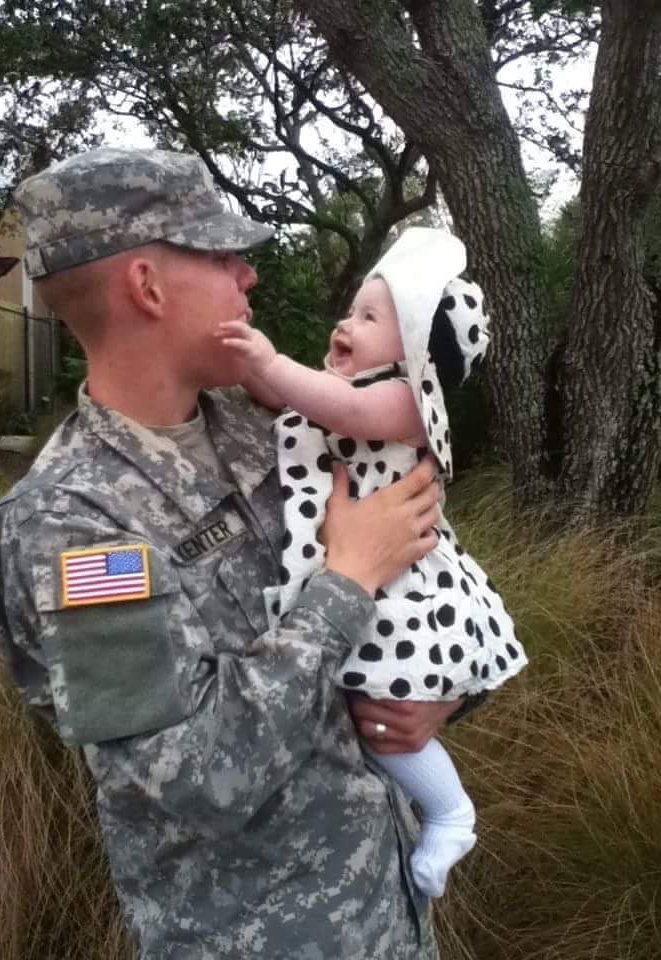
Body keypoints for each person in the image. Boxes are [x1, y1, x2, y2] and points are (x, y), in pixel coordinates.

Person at [0, 147, 476, 960]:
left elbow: (422, 592)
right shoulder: (71, 521)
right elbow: (193, 778)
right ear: (147, 286)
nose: (247, 275)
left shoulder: (269, 427)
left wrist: (440, 700)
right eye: (220, 255)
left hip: (388, 913)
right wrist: (346, 582)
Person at [219, 227, 528, 898]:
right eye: (352, 309)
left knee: (388, 718)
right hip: (364, 578)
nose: (345, 322)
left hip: (403, 593)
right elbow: (296, 402)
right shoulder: (348, 386)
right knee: (370, 715)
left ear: (416, 349)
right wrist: (257, 372)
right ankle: (420, 809)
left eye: (369, 317)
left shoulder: (403, 402)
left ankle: (450, 811)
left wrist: (267, 364)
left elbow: (339, 406)